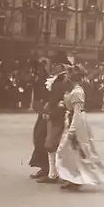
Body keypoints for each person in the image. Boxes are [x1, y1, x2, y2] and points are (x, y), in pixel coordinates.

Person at [56, 64, 104, 191]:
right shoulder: (73, 90)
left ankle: (78, 179)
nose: (66, 78)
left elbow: (77, 113)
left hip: (77, 123)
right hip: (72, 120)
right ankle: (72, 178)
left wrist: (72, 130)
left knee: (75, 151)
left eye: (68, 75)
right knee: (69, 152)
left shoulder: (78, 92)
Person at [36, 52, 72, 184]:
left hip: (58, 115)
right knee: (52, 144)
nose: (54, 67)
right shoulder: (58, 79)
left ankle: (55, 174)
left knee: (52, 144)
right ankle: (53, 173)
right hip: (54, 113)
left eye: (56, 64)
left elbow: (60, 97)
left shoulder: (63, 80)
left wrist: (52, 108)